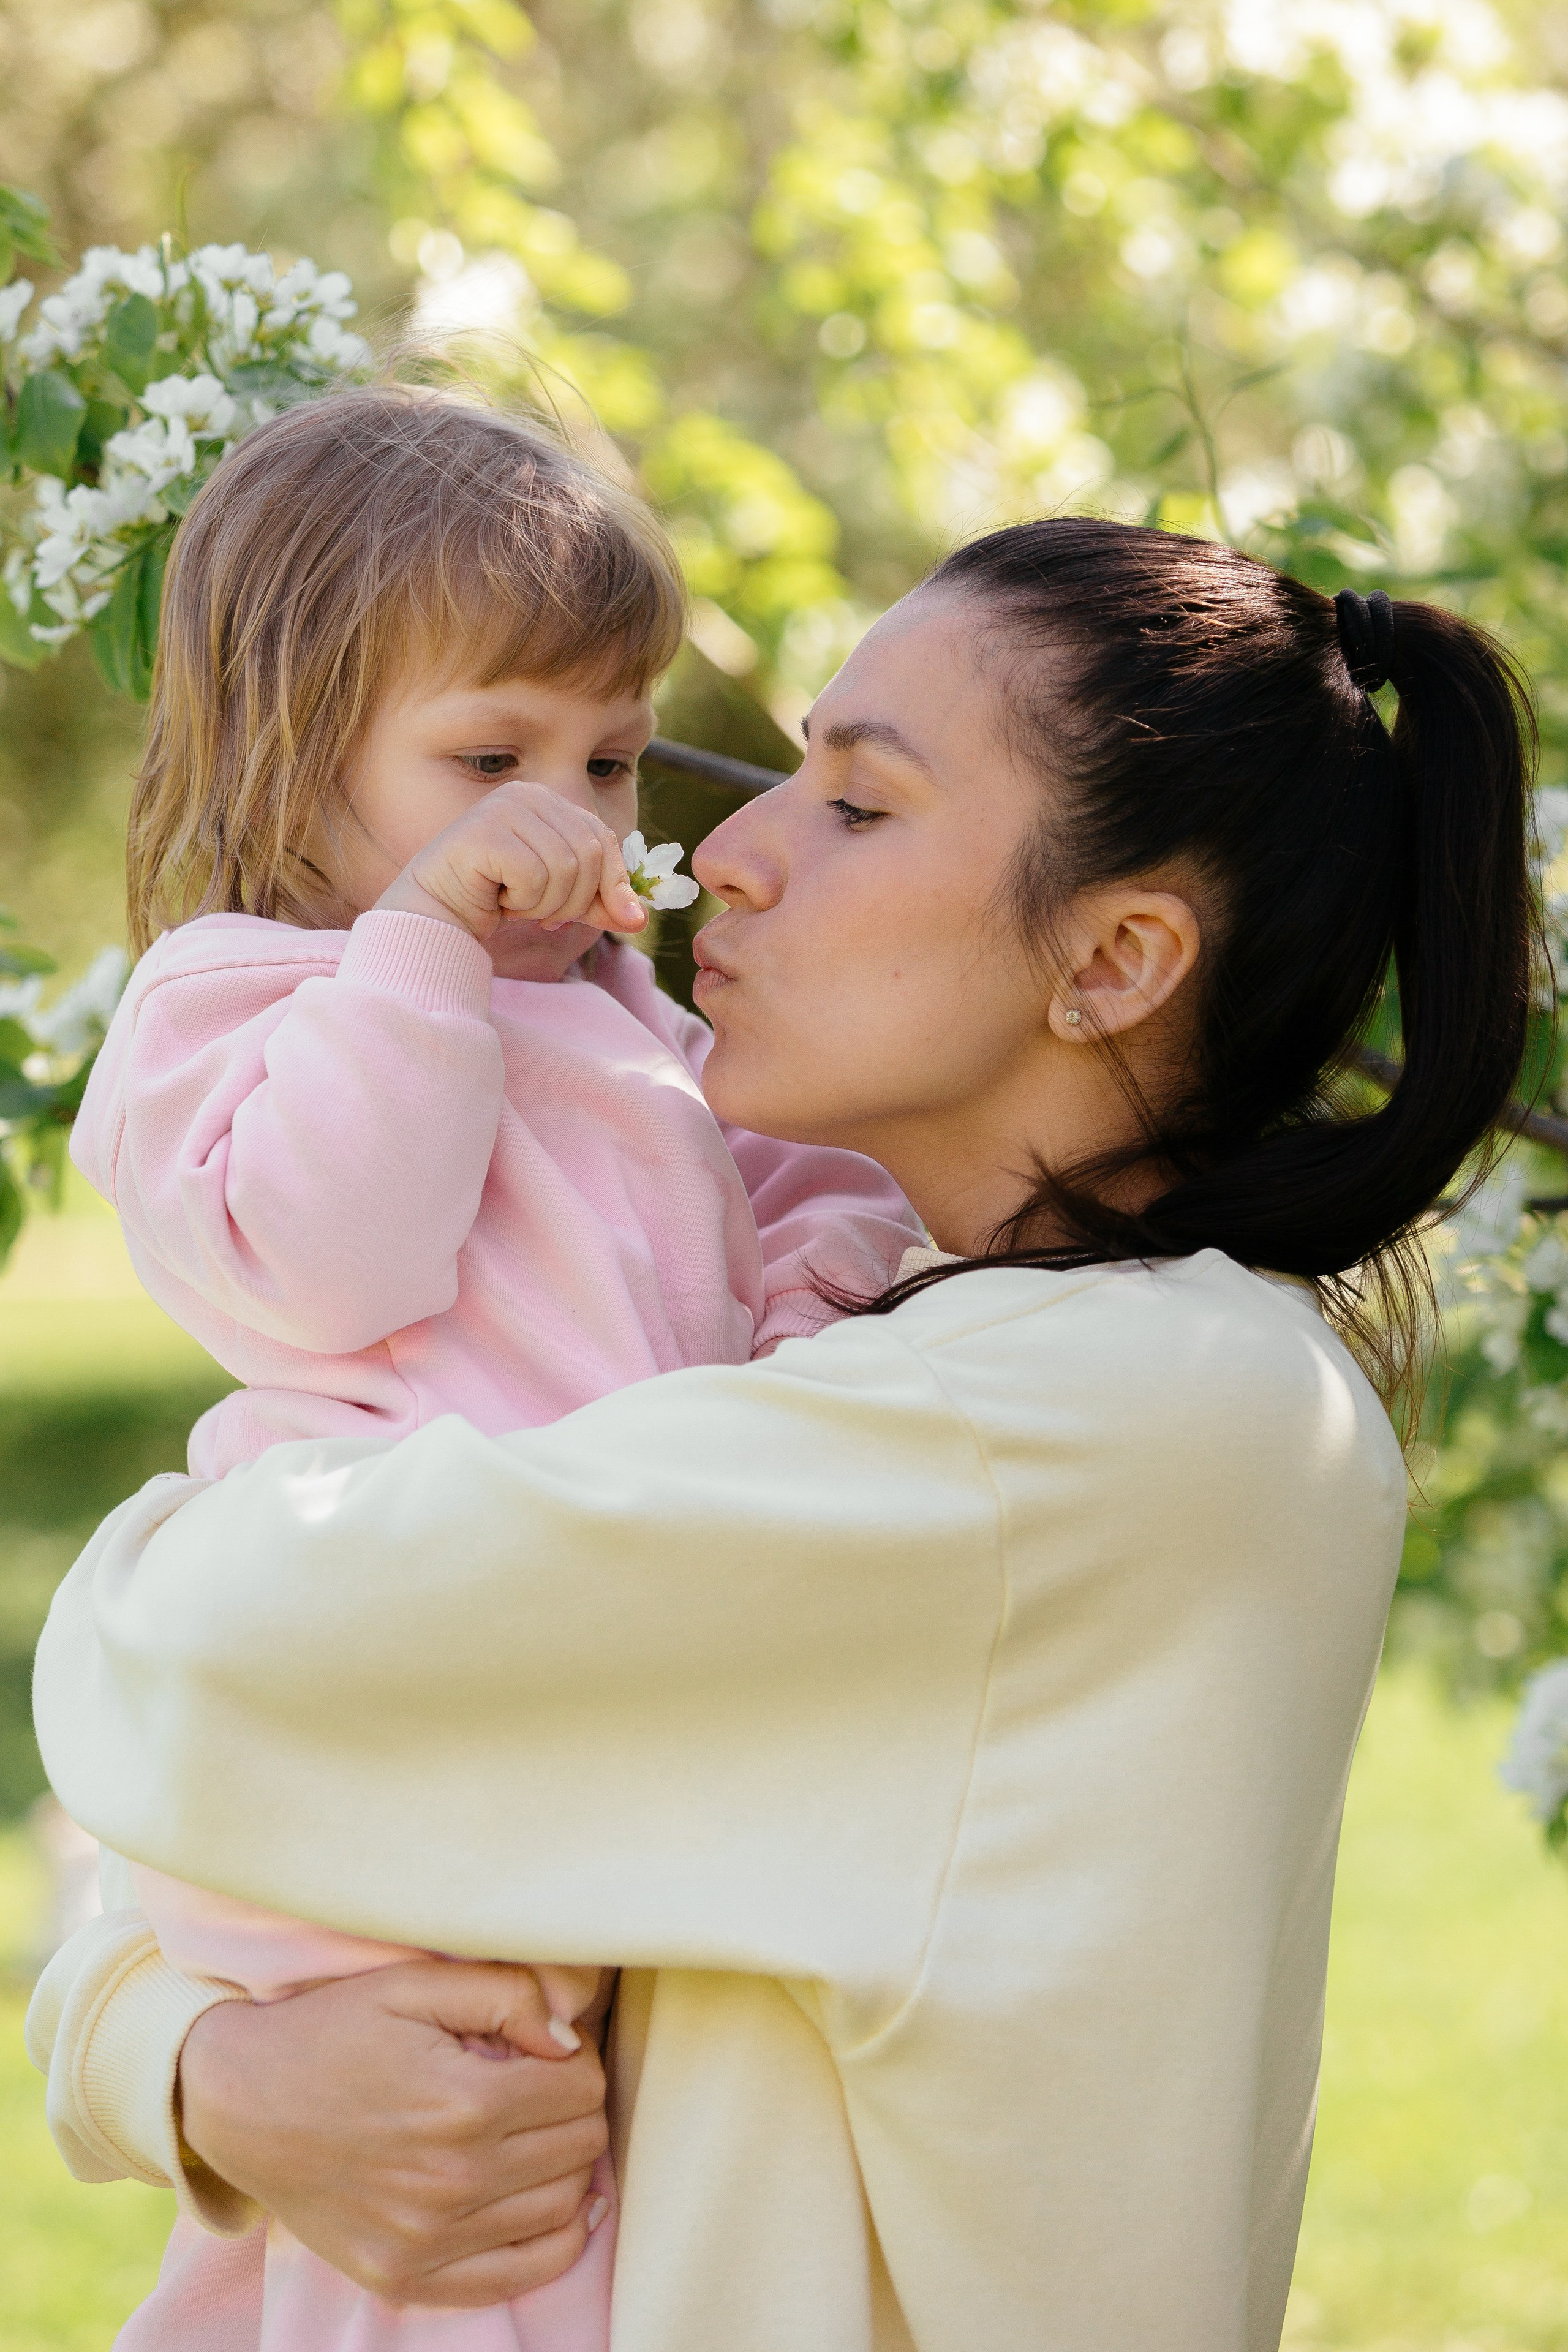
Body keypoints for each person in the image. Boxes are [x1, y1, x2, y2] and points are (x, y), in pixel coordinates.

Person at [29, 521, 1537, 2352]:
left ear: (1119, 958)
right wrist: (201, 2069)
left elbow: (187, 1662)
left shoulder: (1096, 1430)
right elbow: (321, 1785)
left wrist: (155, 2036)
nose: (725, 857)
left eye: (859, 806)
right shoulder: (903, 1345)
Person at [53, 383, 919, 2352]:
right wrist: (426, 946)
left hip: (568, 1674)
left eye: (610, 760)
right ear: (293, 754)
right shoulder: (238, 1002)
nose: (573, 818)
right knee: (459, 2151)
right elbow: (333, 1252)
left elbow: (752, 1213)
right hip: (372, 1685)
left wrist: (826, 1273)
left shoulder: (610, 1009)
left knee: (562, 2170)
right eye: (489, 757)